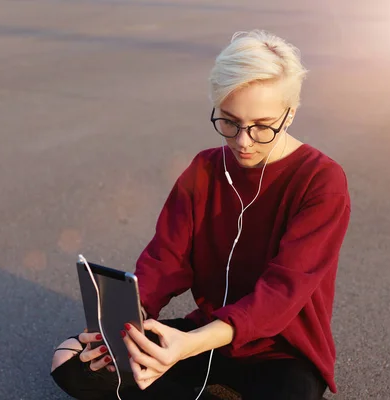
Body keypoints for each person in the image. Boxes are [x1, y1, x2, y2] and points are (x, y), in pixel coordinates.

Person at [50, 29, 351, 400]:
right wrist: (133, 321)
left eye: (262, 126)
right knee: (69, 360)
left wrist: (185, 346)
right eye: (229, 121)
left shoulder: (321, 181)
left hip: (283, 351)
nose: (243, 141)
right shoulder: (204, 169)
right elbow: (166, 258)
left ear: (290, 115)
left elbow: (280, 294)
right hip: (203, 337)